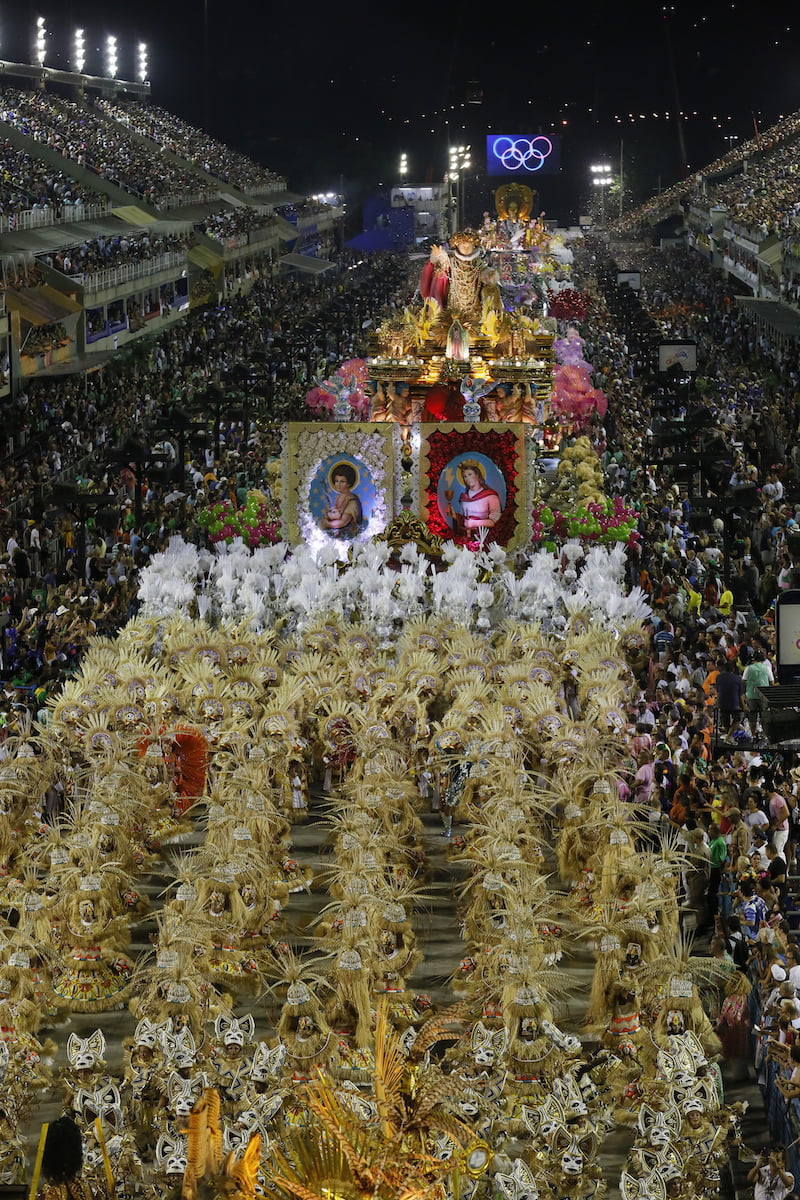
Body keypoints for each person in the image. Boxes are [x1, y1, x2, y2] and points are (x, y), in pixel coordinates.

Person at [446, 460, 502, 534]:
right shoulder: (464, 497)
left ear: (477, 475)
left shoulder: (491, 496)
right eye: (465, 476)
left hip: (484, 537)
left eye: (470, 474)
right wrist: (455, 516)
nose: (467, 478)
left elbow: (495, 521)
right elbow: (463, 519)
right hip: (465, 535)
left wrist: (475, 523)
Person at [321, 463, 362, 537]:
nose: (338, 484)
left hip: (347, 534)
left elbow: (343, 522)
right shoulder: (339, 497)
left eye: (342, 482)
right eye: (336, 481)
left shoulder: (352, 501)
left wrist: (327, 524)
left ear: (349, 483)